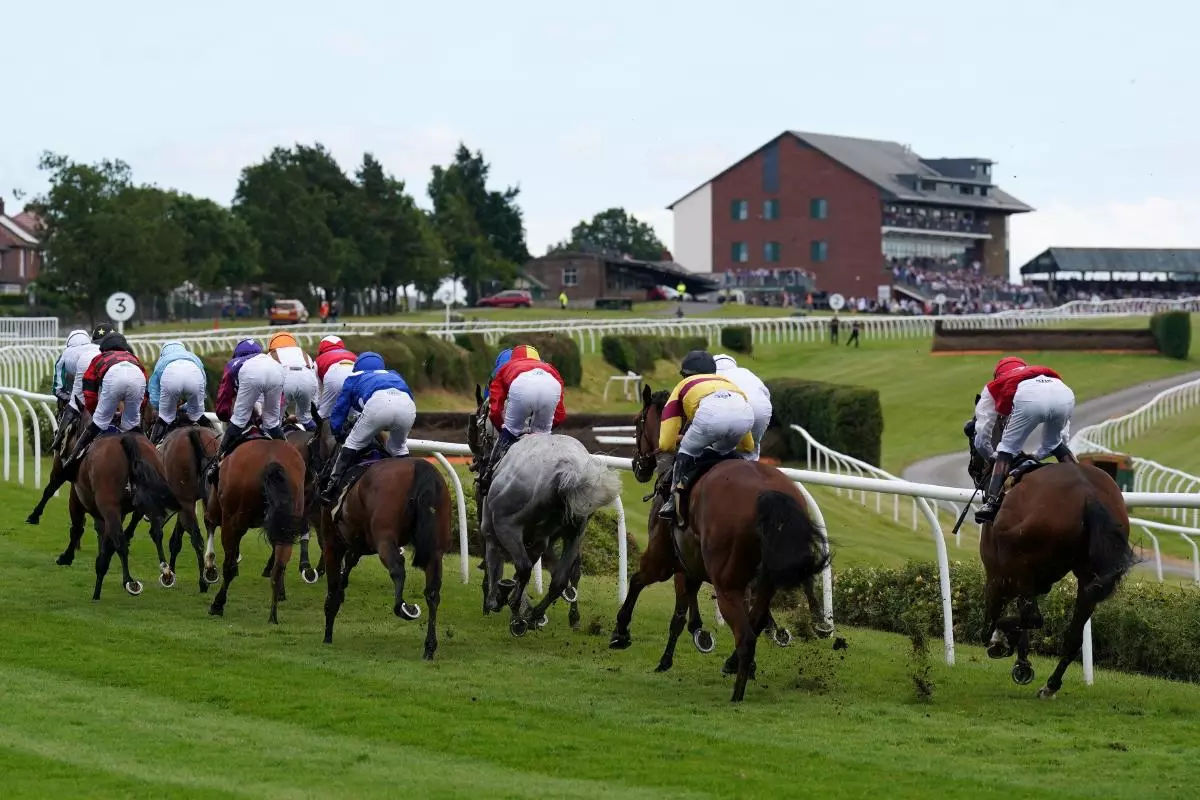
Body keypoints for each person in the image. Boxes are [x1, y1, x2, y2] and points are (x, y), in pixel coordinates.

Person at [971, 356, 1077, 524]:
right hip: (1065, 393)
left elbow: (982, 434)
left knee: (1006, 448)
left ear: (997, 375)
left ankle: (991, 503)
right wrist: (1037, 455)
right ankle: (1079, 479)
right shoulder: (1041, 373)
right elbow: (1062, 437)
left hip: (1030, 399)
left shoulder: (994, 386)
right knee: (1055, 443)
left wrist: (992, 455)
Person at [657, 350, 755, 526]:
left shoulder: (684, 385)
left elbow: (669, 423)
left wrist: (669, 445)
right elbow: (741, 417)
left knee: (687, 449)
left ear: (686, 375)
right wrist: (747, 446)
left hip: (710, 419)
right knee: (722, 450)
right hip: (746, 417)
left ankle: (672, 502)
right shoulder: (728, 383)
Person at [322, 352, 416, 503]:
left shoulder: (354, 377)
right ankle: (411, 486)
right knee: (398, 448)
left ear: (358, 366)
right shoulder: (394, 374)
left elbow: (340, 410)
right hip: (408, 407)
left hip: (378, 406)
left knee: (352, 443)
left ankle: (331, 488)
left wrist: (337, 431)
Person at [482, 344, 566, 486]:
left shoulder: (504, 368)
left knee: (510, 431)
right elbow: (560, 415)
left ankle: (488, 474)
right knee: (543, 436)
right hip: (552, 386)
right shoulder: (550, 368)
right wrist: (541, 429)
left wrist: (504, 429)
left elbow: (495, 410)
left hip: (522, 387)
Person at [62, 332, 148, 470]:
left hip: (113, 380)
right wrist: (135, 410)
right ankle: (150, 453)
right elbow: (144, 391)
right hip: (137, 378)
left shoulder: (99, 358)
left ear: (103, 348)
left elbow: (89, 393)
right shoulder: (133, 358)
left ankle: (72, 461)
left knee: (98, 423)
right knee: (132, 426)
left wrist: (95, 412)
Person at [212, 338, 286, 474]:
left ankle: (216, 462)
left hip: (253, 382)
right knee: (272, 424)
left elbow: (224, 396)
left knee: (239, 421)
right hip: (278, 370)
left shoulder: (233, 364)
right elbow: (281, 400)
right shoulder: (269, 360)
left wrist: (224, 415)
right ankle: (288, 451)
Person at [147, 340, 210, 443]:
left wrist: (166, 408)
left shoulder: (161, 361)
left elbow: (154, 395)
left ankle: (153, 445)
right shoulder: (193, 357)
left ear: (163, 352)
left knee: (165, 417)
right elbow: (203, 386)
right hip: (194, 376)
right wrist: (186, 407)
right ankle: (217, 445)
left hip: (171, 377)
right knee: (197, 414)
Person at [712, 353, 772, 461]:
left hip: (734, 410)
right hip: (761, 410)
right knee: (751, 450)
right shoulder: (746, 372)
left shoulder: (712, 376)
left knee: (720, 452)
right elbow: (766, 394)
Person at [267, 331, 318, 430]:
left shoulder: (271, 354)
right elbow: (314, 378)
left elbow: (267, 380)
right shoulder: (304, 353)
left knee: (274, 421)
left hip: (285, 382)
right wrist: (314, 404)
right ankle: (317, 438)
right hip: (307, 381)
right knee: (305, 418)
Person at [314, 335, 357, 420]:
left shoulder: (318, 360)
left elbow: (318, 389)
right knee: (356, 414)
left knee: (323, 415)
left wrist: (317, 406)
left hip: (333, 378)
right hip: (356, 378)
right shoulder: (353, 355)